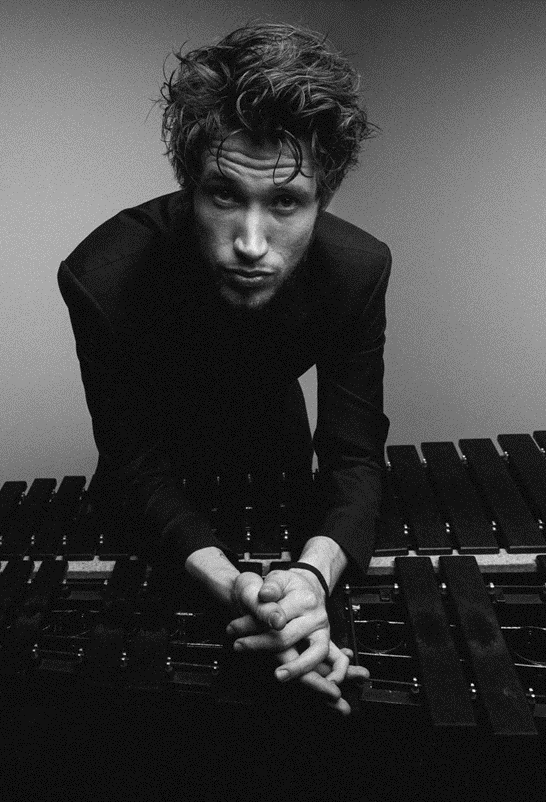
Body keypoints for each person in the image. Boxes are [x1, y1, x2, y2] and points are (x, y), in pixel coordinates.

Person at [58, 21, 390, 717]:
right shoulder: (103, 278)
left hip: (276, 459)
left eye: (286, 201)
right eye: (224, 195)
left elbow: (354, 455)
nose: (250, 242)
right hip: (149, 485)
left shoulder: (356, 272)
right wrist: (228, 582)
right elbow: (133, 460)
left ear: (323, 198)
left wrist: (308, 581)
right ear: (190, 186)